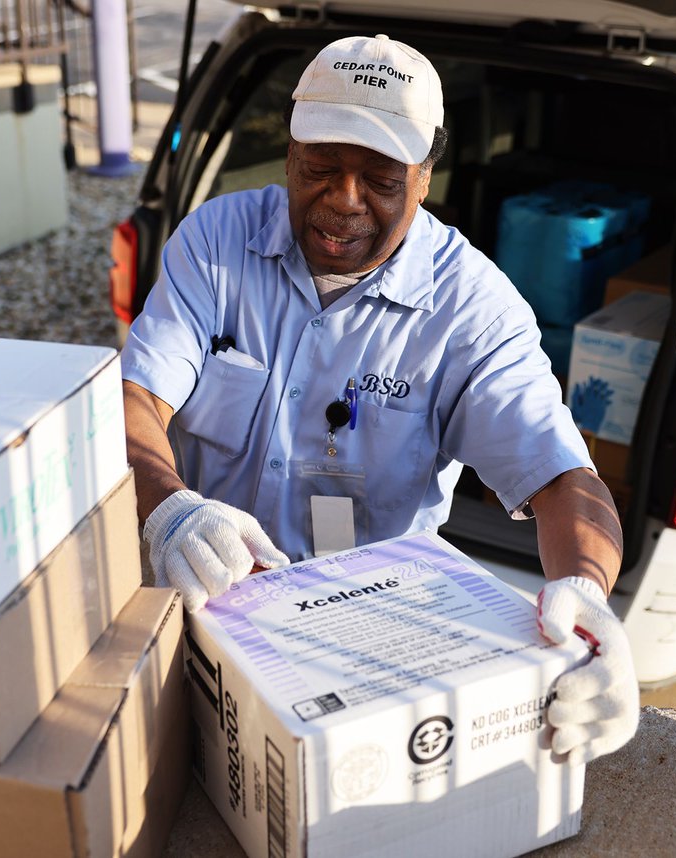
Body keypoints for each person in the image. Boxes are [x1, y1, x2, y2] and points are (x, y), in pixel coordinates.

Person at [120, 33, 638, 764]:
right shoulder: (216, 243)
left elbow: (561, 478)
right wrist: (171, 510)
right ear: (291, 155)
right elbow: (134, 398)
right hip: (197, 605)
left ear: (425, 177)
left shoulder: (472, 311)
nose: (343, 201)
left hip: (353, 657)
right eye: (319, 168)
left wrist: (587, 598)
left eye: (382, 179)